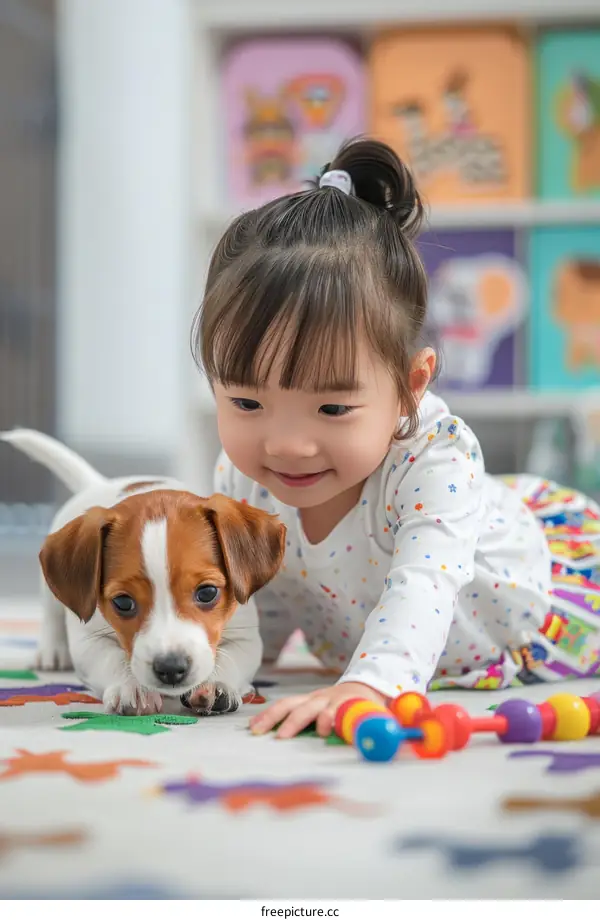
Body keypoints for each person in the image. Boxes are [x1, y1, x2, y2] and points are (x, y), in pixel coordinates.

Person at [191, 137, 600, 739]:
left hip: (539, 600)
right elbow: (265, 588)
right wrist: (235, 660)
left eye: (332, 407)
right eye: (247, 402)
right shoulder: (243, 478)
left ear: (411, 387)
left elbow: (425, 584)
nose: (285, 444)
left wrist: (372, 684)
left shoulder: (433, 459)